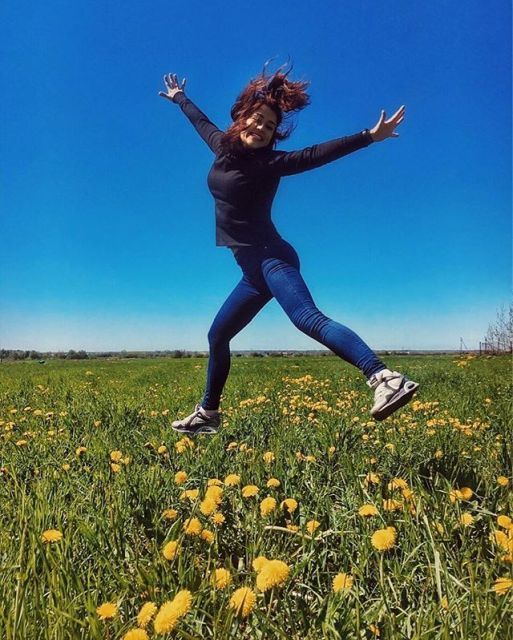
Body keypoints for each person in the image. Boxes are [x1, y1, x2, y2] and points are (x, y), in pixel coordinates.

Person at [158, 61, 419, 436]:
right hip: (252, 271)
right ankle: (208, 414)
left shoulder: (270, 163)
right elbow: (201, 122)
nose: (262, 129)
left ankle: (384, 377)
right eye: (257, 120)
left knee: (307, 318)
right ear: (241, 119)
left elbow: (315, 154)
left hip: (273, 258)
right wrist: (180, 97)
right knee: (218, 336)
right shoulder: (221, 147)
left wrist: (369, 136)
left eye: (270, 126)